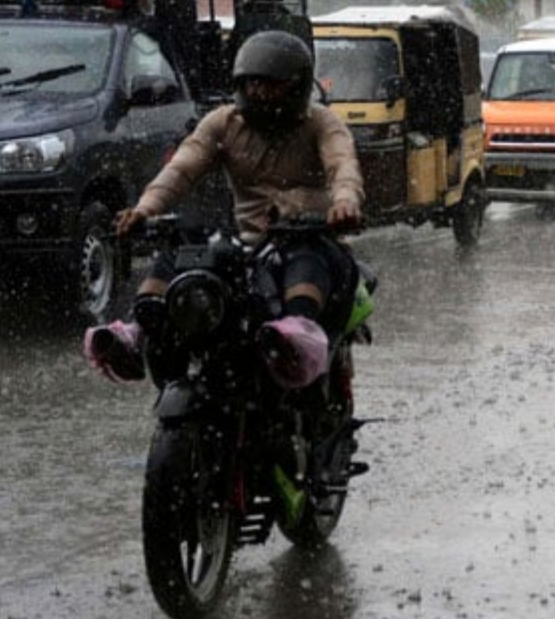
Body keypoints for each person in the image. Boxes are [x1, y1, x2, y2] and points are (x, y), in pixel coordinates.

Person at [84, 30, 365, 386]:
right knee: (184, 246)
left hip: (312, 238)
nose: (259, 93)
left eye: (271, 85)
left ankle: (298, 333)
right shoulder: (222, 122)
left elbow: (343, 166)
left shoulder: (322, 123)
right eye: (252, 84)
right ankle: (139, 328)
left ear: (296, 86)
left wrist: (345, 203)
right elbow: (181, 169)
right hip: (249, 244)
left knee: (303, 254)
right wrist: (144, 209)